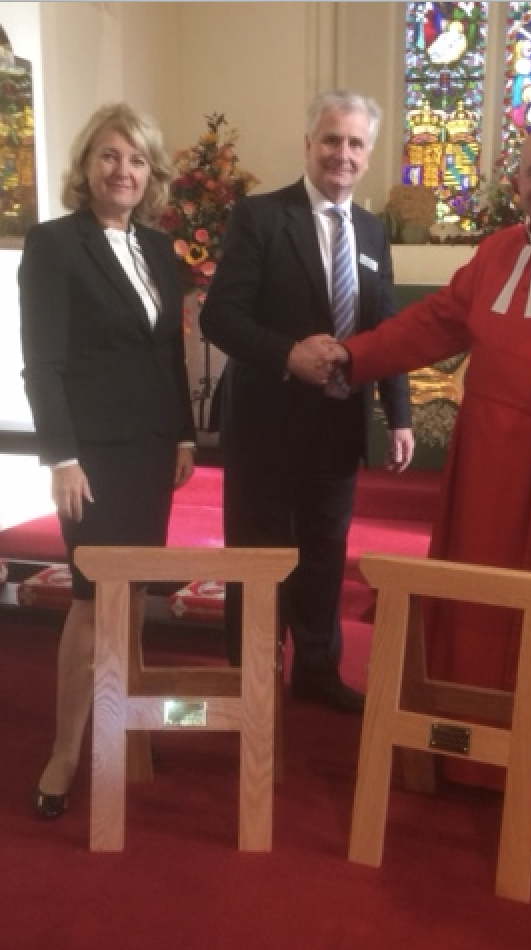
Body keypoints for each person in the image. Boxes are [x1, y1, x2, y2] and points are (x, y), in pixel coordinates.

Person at [297, 119, 531, 794]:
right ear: (515, 180)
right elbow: (432, 325)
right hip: (482, 460)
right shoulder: (495, 252)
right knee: (469, 598)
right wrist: (352, 353)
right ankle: (460, 748)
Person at [199, 90, 414, 715]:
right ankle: (250, 678)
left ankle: (317, 669)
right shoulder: (262, 217)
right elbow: (221, 316)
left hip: (339, 424)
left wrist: (397, 414)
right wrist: (287, 353)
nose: (340, 154)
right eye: (330, 140)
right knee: (258, 555)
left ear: (368, 154)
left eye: (354, 143)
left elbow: (387, 327)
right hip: (267, 421)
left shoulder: (372, 230)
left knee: (324, 552)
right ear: (309, 145)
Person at [19, 102, 197, 819]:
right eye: (109, 156)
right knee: (94, 600)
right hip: (91, 456)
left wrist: (184, 435)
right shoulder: (55, 243)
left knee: (139, 594)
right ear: (87, 166)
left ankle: (125, 734)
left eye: (136, 159)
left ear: (150, 174)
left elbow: (167, 354)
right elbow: (43, 363)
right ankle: (66, 751)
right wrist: (61, 455)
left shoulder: (159, 249)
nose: (122, 170)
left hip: (152, 449)